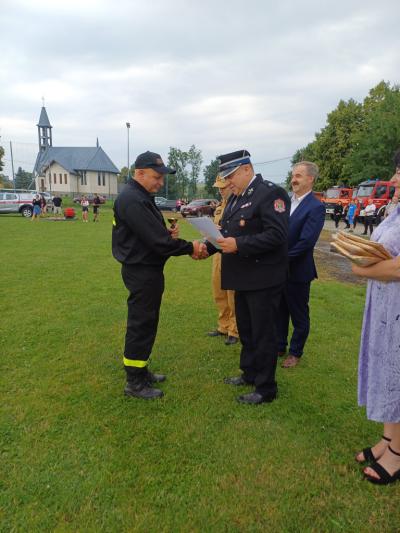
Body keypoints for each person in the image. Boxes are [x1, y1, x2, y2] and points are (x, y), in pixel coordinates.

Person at [112, 151, 207, 400]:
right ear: (140, 173)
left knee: (147, 321)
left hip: (147, 269)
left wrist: (167, 235)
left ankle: (141, 370)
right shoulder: (133, 199)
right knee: (141, 324)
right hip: (141, 271)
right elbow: (157, 242)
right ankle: (134, 382)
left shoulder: (141, 196)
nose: (160, 182)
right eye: (156, 177)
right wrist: (190, 247)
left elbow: (151, 235)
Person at [205, 150, 290, 405]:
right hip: (242, 277)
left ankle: (266, 388)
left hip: (263, 278)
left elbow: (277, 235)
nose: (228, 182)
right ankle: (249, 373)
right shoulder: (235, 198)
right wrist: (206, 247)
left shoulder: (270, 193)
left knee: (263, 333)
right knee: (247, 330)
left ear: (246, 169)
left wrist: (239, 245)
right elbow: (226, 233)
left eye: (231, 175)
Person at [352, 168, 400, 485]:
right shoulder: (395, 211)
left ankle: (397, 454)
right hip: (385, 306)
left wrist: (361, 269)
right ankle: (388, 440)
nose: (394, 180)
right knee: (387, 372)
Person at [277, 161, 326, 368]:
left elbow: (306, 242)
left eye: (298, 176)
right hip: (278, 269)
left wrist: (281, 258)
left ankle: (295, 352)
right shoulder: (286, 202)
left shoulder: (316, 207)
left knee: (298, 314)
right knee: (279, 310)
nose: (293, 180)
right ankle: (279, 346)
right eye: (292, 175)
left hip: (298, 271)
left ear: (310, 179)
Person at [207, 175, 238, 345]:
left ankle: (235, 329)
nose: (220, 190)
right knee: (218, 290)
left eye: (223, 187)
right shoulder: (219, 207)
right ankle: (223, 325)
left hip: (231, 253)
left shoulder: (238, 205)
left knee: (232, 293)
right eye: (218, 187)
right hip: (217, 254)